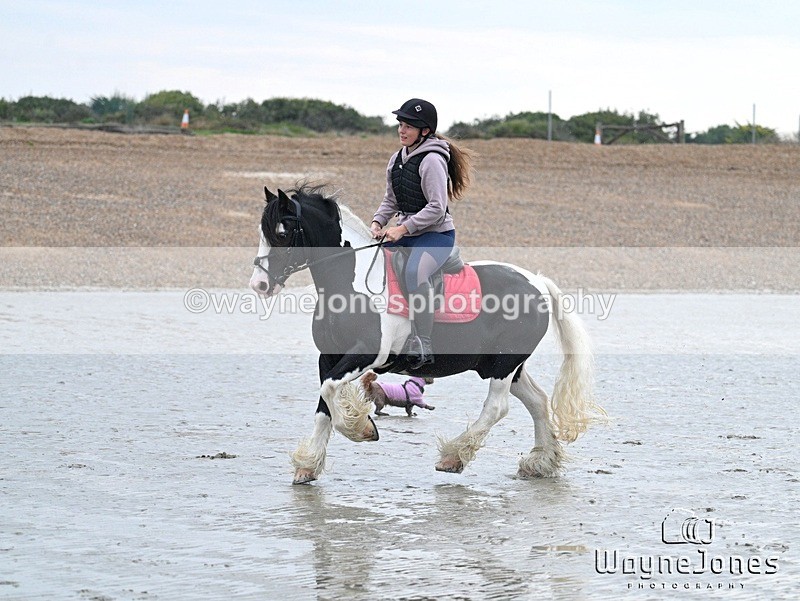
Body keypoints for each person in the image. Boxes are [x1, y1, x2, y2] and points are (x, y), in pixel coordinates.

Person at [370, 98, 473, 369]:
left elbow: (437, 208)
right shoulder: (396, 159)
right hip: (409, 233)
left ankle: (423, 342)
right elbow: (390, 200)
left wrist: (402, 228)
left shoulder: (432, 161)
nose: (402, 131)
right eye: (400, 125)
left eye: (408, 127)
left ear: (424, 131)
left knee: (415, 271)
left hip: (436, 236)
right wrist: (377, 222)